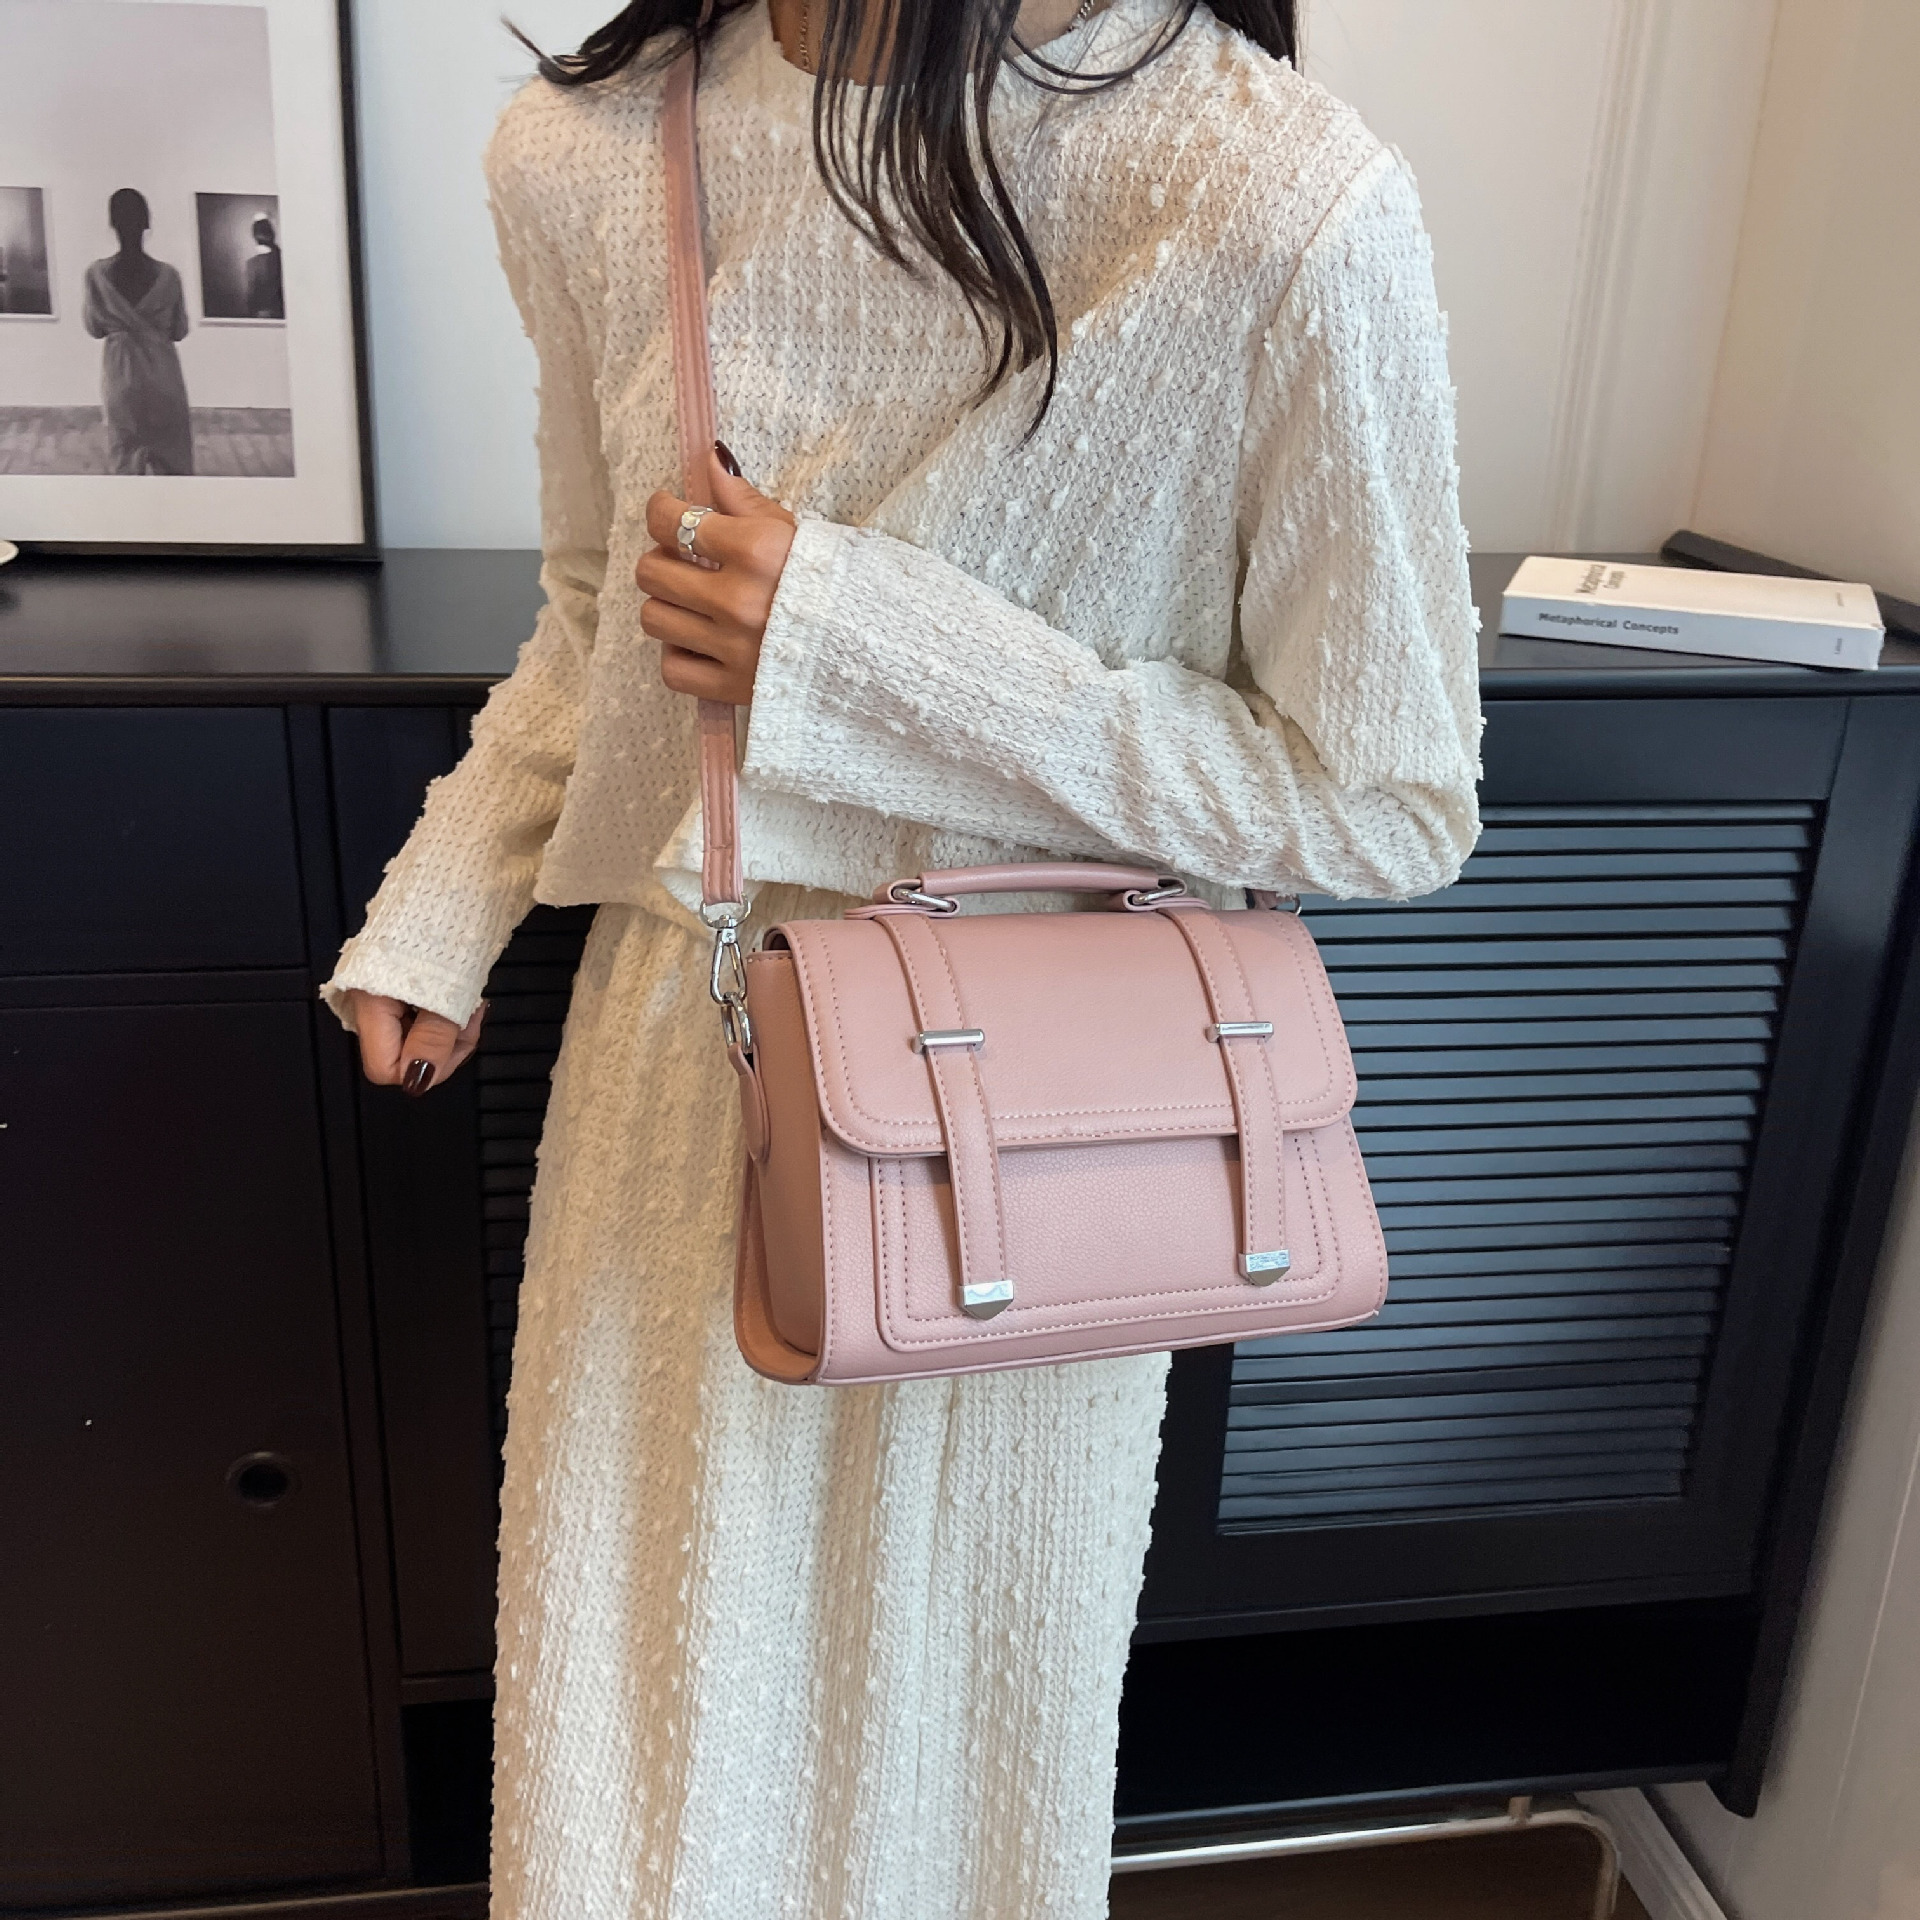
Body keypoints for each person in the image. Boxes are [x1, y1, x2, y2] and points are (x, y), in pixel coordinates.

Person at [324, 0, 1482, 1912]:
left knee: (956, 1769)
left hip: (1041, 1115)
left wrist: (862, 651)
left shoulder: (1272, 196)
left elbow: (1385, 802)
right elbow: (605, 609)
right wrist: (450, 902)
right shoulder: (594, 151)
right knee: (642, 1748)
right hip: (686, 1067)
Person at [82, 188, 193, 476]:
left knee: (125, 465)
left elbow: (94, 328)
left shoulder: (96, 275)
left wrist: (122, 324)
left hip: (121, 376)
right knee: (175, 468)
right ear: (147, 223)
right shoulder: (169, 276)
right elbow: (179, 330)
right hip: (164, 376)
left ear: (112, 224)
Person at [244, 214, 284, 320]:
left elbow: (251, 296)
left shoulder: (252, 264)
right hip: (280, 312)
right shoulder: (280, 258)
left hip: (262, 315)